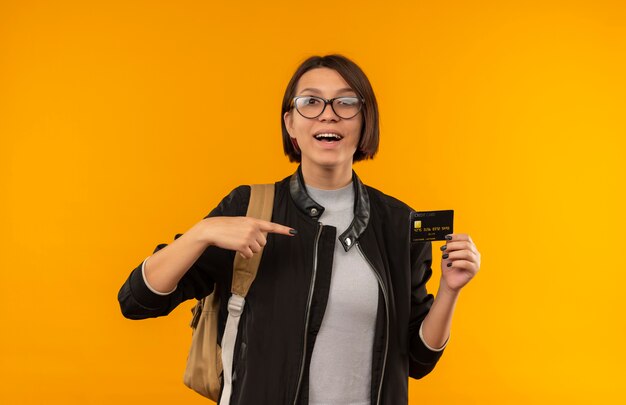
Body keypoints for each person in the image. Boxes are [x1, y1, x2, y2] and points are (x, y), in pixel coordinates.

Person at [118, 54, 481, 405]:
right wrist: (202, 232)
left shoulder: (399, 224)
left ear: (365, 120)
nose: (328, 115)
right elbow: (137, 301)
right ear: (290, 123)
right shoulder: (247, 207)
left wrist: (450, 290)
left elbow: (417, 360)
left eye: (346, 103)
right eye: (311, 102)